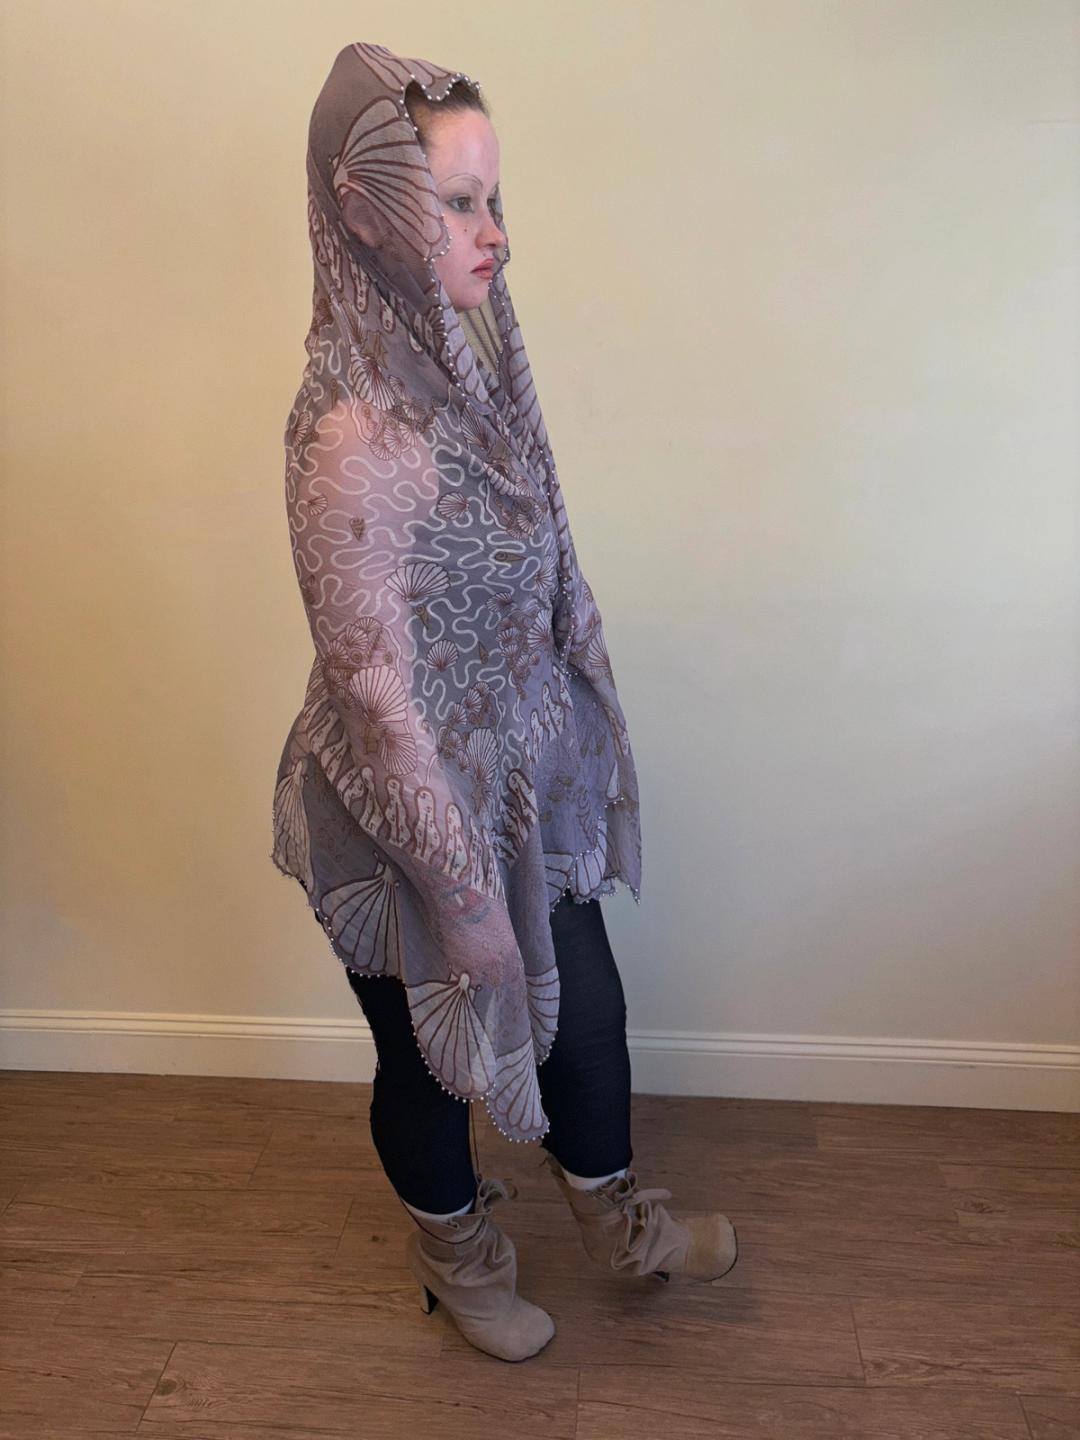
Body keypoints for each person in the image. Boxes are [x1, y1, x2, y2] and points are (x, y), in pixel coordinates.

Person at [271, 41, 737, 1364]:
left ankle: (618, 1225)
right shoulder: (350, 437)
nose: (498, 236)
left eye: (495, 198)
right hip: (402, 812)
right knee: (433, 1058)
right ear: (366, 210)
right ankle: (458, 1257)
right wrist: (467, 906)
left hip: (513, 780)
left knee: (585, 1019)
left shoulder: (465, 371)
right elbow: (377, 701)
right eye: (460, 203)